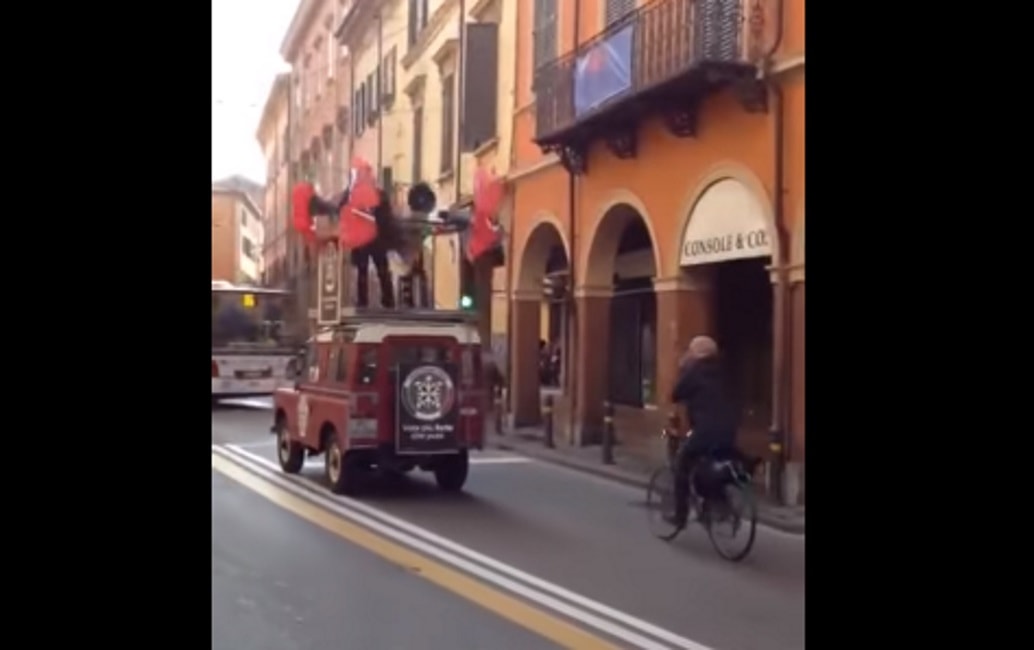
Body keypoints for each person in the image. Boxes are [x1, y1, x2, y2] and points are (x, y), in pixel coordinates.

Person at [667, 335, 739, 529]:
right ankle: (719, 501)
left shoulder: (694, 371)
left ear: (696, 354)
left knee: (682, 464)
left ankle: (680, 516)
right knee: (710, 464)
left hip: (705, 431)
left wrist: (683, 368)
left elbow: (676, 394)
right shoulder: (725, 370)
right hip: (729, 430)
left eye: (691, 351)